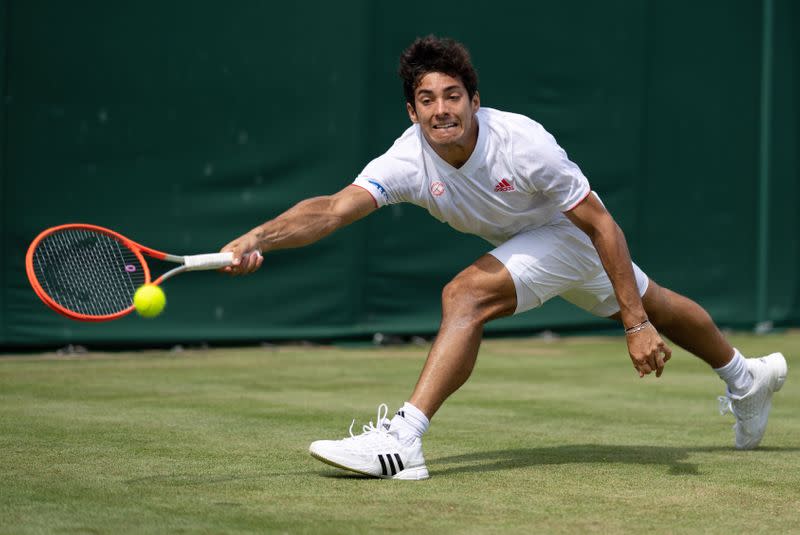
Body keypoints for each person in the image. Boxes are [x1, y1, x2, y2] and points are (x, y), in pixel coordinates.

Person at [221, 36, 787, 480]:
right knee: (655, 299)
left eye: (452, 96)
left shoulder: (522, 143)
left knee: (464, 295)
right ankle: (746, 377)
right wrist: (257, 239)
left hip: (570, 233)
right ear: (412, 111)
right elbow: (333, 210)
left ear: (473, 100)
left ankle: (404, 441)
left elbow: (600, 222)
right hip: (534, 243)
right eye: (427, 100)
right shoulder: (407, 159)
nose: (441, 110)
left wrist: (633, 325)